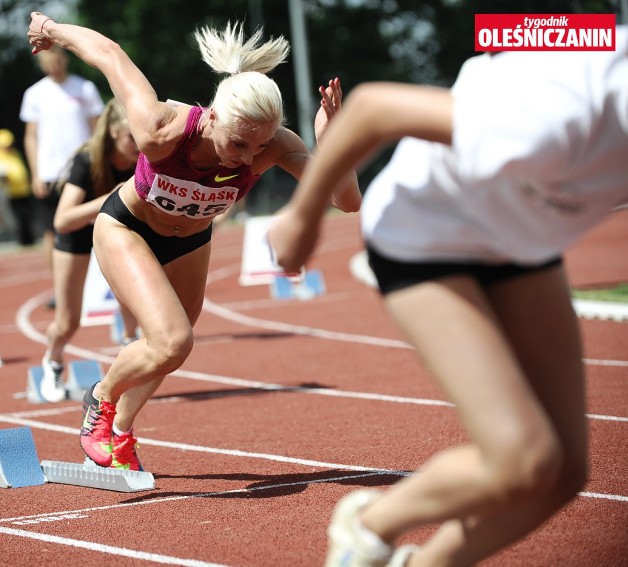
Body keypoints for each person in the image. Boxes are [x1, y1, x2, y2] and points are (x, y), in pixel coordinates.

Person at [267, 29, 628, 567]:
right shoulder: (555, 120)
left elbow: (547, 37)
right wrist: (302, 217)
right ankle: (367, 525)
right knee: (523, 459)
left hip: (521, 231)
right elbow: (373, 108)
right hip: (425, 232)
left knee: (565, 473)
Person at [28, 14, 361, 471]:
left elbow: (347, 200)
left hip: (191, 240)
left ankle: (121, 432)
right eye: (240, 144)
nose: (248, 159)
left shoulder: (272, 145)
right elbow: (108, 52)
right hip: (129, 228)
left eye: (258, 148)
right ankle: (99, 401)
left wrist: (334, 140)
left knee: (166, 351)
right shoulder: (161, 127)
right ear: (214, 115)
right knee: (173, 342)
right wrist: (49, 27)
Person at [39, 98, 141, 401]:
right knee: (68, 322)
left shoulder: (145, 158)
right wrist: (109, 199)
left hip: (119, 233)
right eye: (130, 137)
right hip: (77, 236)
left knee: (136, 306)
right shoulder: (88, 160)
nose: (138, 144)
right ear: (112, 132)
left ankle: (130, 352)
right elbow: (62, 220)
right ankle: (53, 360)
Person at [19, 44, 105, 304]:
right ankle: (61, 288)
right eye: (47, 62)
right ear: (42, 64)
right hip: (50, 172)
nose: (53, 66)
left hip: (83, 169)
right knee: (52, 232)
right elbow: (31, 137)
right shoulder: (34, 93)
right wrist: (35, 173)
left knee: (97, 226)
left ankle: (102, 286)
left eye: (56, 60)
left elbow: (98, 130)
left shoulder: (85, 88)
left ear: (64, 59)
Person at [0, 128, 36, 247]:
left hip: (22, 190)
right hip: (6, 193)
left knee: (25, 216)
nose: (7, 147)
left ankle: (27, 239)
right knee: (4, 219)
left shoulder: (14, 152)